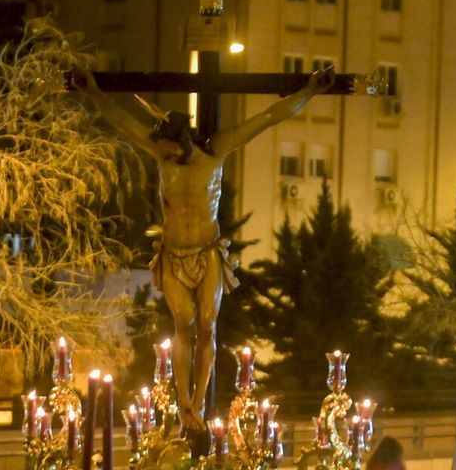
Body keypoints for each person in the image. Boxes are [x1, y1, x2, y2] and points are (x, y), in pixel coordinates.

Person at [76, 65, 334, 429]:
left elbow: (269, 117)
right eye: (160, 153)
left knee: (207, 325)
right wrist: (93, 93)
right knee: (183, 323)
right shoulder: (159, 152)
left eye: (169, 152)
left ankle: (199, 402)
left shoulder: (217, 152)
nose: (163, 157)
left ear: (183, 143)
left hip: (206, 251)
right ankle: (184, 403)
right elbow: (121, 121)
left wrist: (309, 92)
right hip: (173, 253)